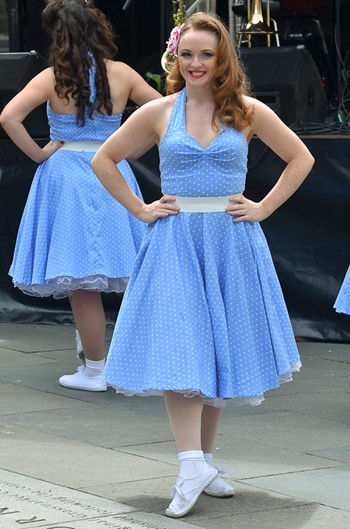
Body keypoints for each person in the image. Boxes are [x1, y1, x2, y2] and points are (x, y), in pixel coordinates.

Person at [91, 11, 315, 518]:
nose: (195, 63)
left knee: (216, 350)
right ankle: (191, 463)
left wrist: (263, 207)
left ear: (222, 60)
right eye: (187, 54)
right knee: (181, 349)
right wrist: (141, 208)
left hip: (232, 245)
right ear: (176, 55)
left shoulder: (247, 111)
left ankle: (204, 463)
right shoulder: (160, 113)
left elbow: (301, 158)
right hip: (175, 244)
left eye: (206, 55)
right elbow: (104, 159)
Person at [0, 0, 161, 392]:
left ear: (60, 36)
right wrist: (133, 149)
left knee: (83, 281)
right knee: (125, 268)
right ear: (98, 29)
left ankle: (95, 368)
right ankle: (125, 359)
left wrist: (40, 154)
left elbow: (8, 116)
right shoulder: (121, 74)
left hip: (67, 176)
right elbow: (164, 112)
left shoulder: (52, 77)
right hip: (112, 171)